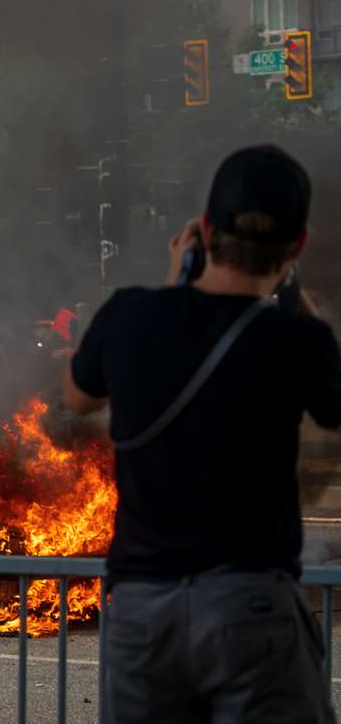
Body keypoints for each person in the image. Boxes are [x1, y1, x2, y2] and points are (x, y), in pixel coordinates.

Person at [64, 146, 339, 723]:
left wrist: (175, 285)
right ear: (296, 247)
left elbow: (77, 397)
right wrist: (292, 293)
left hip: (143, 616)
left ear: (204, 231)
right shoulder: (297, 340)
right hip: (250, 608)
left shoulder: (129, 318)